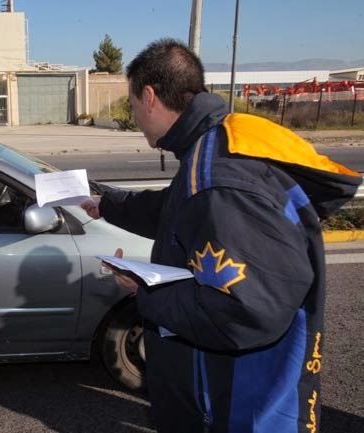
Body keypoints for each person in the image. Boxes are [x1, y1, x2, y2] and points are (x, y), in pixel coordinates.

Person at [81, 38, 362, 433]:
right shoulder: (215, 144)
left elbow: (245, 312)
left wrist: (146, 291)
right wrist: (108, 205)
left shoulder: (218, 179)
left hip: (239, 404)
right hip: (230, 392)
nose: (133, 115)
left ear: (149, 97)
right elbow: (179, 209)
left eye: (130, 105)